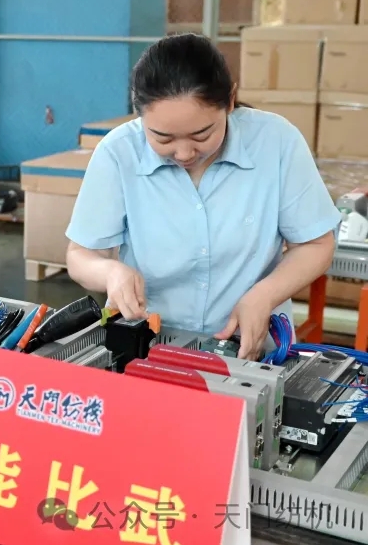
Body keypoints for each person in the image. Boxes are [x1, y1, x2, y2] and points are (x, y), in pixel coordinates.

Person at [65, 33, 339, 359]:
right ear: (139, 114)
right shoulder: (118, 153)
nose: (184, 153)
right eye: (163, 138)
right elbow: (80, 256)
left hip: (249, 349)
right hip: (145, 347)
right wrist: (111, 273)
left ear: (230, 101)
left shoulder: (276, 142)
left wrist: (264, 295)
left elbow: (315, 244)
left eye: (202, 135)